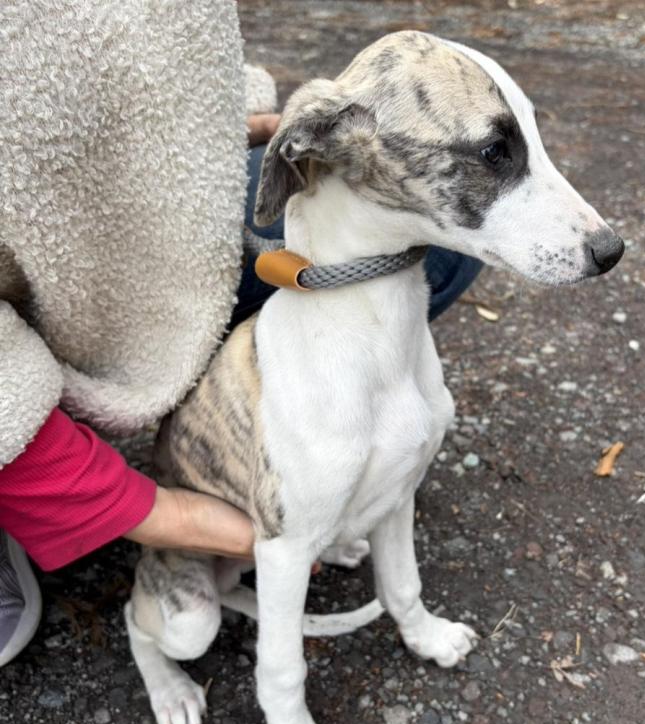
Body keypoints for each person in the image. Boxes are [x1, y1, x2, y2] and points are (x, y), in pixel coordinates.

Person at [0, 3, 482, 667]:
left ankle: (328, 467)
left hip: (121, 198)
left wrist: (226, 124)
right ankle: (146, 642)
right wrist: (159, 514)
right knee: (189, 631)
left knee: (447, 238)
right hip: (31, 301)